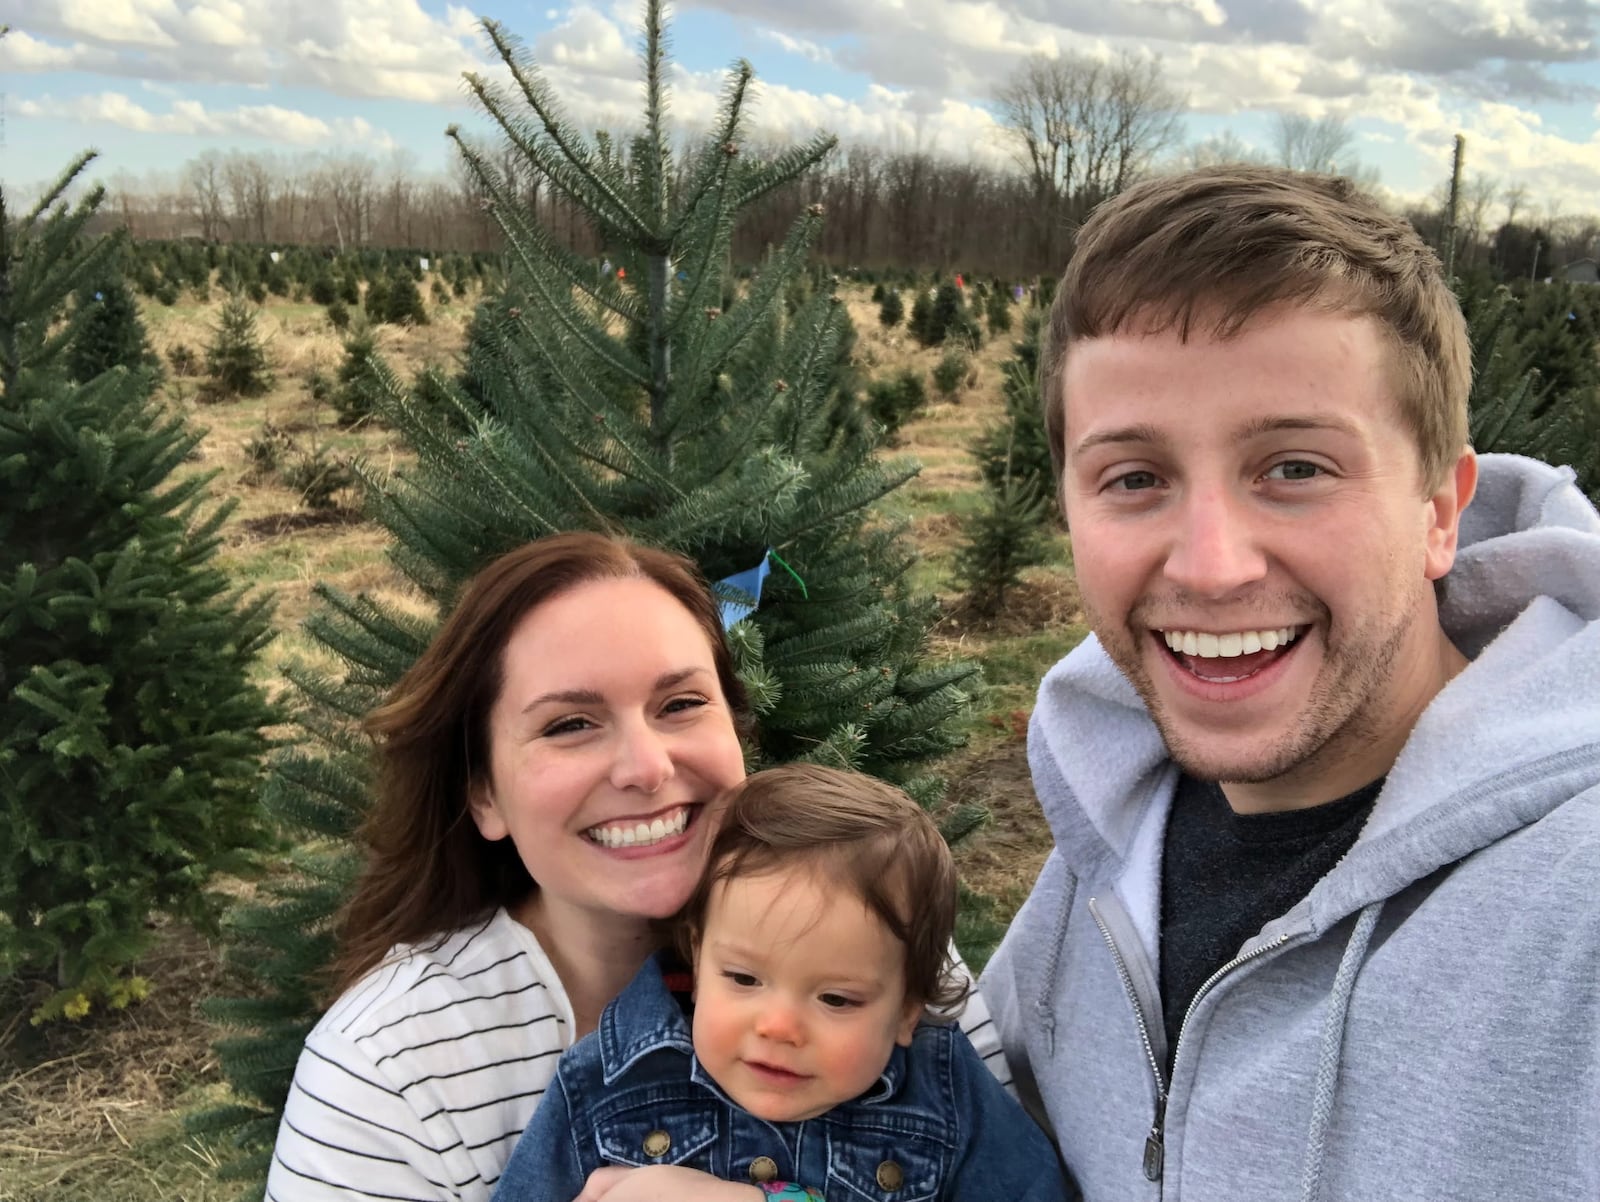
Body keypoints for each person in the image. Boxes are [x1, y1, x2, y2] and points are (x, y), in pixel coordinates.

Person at [980, 163, 1600, 1202]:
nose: (1210, 563)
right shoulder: (1104, 838)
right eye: (1134, 478)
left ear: (1439, 509)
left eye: (1295, 468)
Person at [266, 533, 1012, 1202]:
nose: (647, 768)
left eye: (682, 703)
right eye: (570, 724)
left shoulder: (873, 940)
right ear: (485, 794)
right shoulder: (392, 1070)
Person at [493, 764, 1067, 1202]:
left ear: (906, 1011)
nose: (779, 1027)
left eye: (836, 998)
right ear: (697, 956)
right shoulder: (606, 1084)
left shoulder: (942, 1091)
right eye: (744, 978)